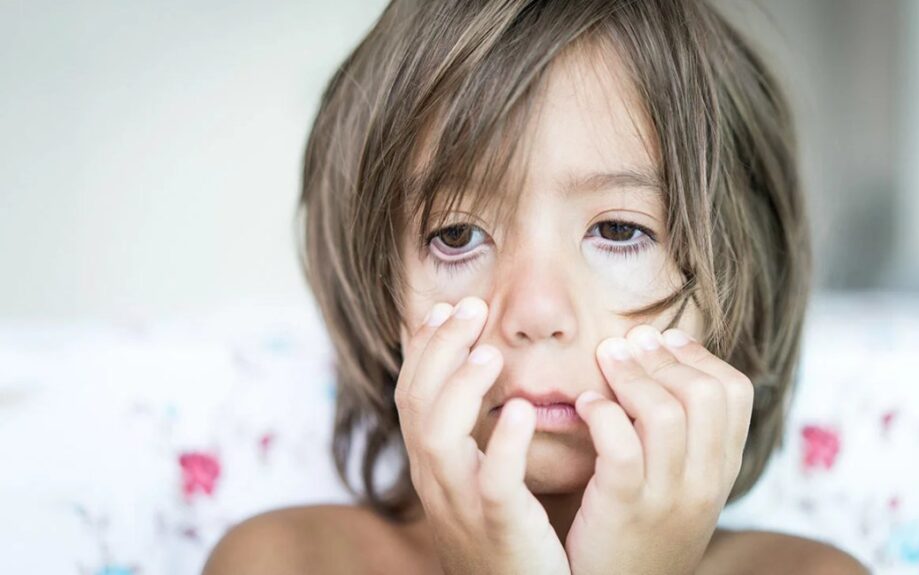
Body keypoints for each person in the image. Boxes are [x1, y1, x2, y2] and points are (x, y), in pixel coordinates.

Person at [204, 0, 870, 573]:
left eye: (617, 229)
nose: (536, 311)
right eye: (457, 236)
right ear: (379, 296)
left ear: (742, 284)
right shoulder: (288, 560)